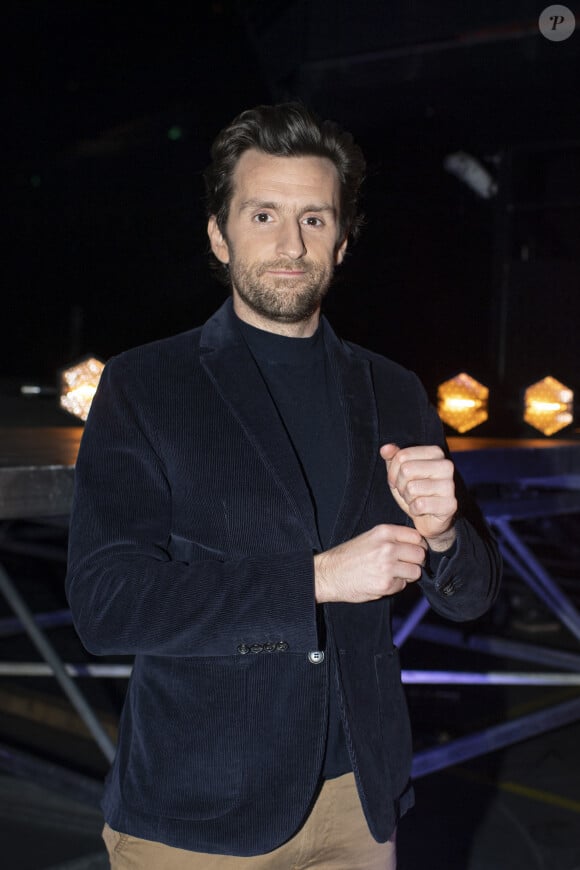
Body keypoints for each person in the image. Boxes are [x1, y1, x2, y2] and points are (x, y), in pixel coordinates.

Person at [66, 102, 501, 869]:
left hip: (359, 804)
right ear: (218, 232)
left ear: (342, 239)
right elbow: (107, 603)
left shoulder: (394, 390)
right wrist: (317, 580)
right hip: (199, 815)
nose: (290, 244)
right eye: (263, 214)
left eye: (315, 219)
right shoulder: (146, 384)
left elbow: (470, 595)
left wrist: (443, 537)